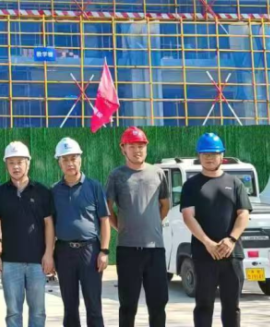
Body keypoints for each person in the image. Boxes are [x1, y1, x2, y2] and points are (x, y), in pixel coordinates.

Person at [180, 133, 251, 327]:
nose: (209, 158)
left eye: (213, 153)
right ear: (199, 156)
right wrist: (208, 243)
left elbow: (243, 214)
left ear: (222, 155)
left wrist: (231, 239)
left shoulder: (235, 183)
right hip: (204, 255)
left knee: (232, 306)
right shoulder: (191, 185)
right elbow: (188, 216)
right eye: (205, 154)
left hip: (232, 255)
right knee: (203, 305)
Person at [105, 127, 170, 327]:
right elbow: (108, 208)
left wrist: (152, 224)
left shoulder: (158, 173)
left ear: (146, 148)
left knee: (158, 303)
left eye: (141, 146)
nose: (137, 150)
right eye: (132, 146)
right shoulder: (116, 175)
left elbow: (165, 205)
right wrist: (121, 227)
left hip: (155, 249)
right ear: (123, 149)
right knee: (127, 305)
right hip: (127, 250)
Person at [0, 141, 55, 327]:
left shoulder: (42, 192)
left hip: (37, 263)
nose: (16, 166)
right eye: (11, 162)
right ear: (6, 165)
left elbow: (49, 224)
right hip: (10, 263)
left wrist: (49, 254)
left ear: (28, 163)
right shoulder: (0, 193)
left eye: (20, 162)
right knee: (13, 312)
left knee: (38, 312)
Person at [51, 137, 110, 327]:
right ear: (59, 163)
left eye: (73, 158)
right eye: (65, 159)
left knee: (94, 305)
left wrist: (104, 251)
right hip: (63, 252)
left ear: (80, 160)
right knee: (70, 306)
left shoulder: (94, 187)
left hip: (90, 251)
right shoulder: (54, 191)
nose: (70, 163)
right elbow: (49, 226)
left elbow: (104, 220)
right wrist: (49, 254)